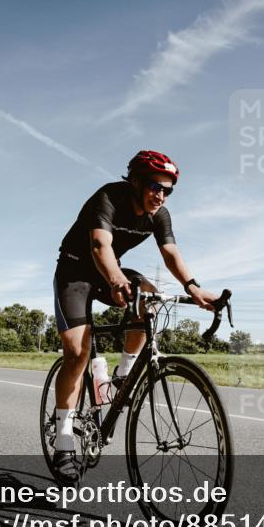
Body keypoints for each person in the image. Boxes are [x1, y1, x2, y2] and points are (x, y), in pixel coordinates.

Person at [51, 150, 219, 481]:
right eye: (156, 186)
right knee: (77, 354)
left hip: (110, 272)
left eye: (168, 190)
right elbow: (100, 246)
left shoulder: (160, 215)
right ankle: (63, 440)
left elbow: (170, 253)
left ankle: (123, 375)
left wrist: (193, 287)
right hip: (75, 273)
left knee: (150, 300)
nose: (161, 195)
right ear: (137, 182)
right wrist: (115, 280)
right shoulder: (109, 197)